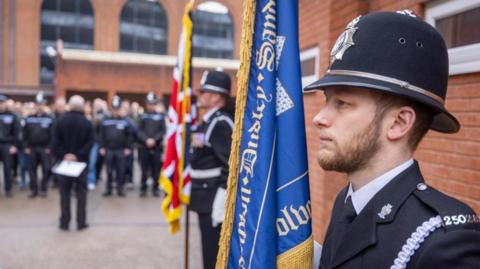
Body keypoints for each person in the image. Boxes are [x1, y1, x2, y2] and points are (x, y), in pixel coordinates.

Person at [303, 11, 480, 268]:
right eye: (327, 100)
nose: (320, 117)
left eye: (342, 103)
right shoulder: (347, 202)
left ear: (399, 123)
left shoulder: (444, 239)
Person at [188, 69, 234, 269]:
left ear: (216, 97)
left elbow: (230, 165)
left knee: (214, 257)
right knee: (208, 253)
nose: (200, 95)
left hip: (213, 198)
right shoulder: (206, 122)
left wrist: (221, 200)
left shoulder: (221, 124)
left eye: (204, 91)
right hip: (202, 196)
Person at [52, 95, 93, 231]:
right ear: (82, 107)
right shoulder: (86, 123)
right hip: (80, 163)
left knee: (64, 193)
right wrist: (77, 155)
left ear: (69, 105)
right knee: (81, 193)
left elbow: (54, 142)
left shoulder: (60, 121)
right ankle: (81, 222)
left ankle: (64, 222)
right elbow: (90, 143)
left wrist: (65, 155)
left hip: (64, 163)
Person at [99, 96, 134, 197]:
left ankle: (120, 189)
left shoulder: (125, 121)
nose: (115, 111)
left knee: (121, 170)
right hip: (109, 149)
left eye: (117, 108)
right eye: (114, 108)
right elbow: (101, 135)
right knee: (109, 170)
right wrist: (102, 147)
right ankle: (108, 189)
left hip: (121, 150)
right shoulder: (105, 120)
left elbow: (129, 135)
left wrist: (128, 147)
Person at [23, 92, 54, 198]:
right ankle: (34, 190)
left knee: (46, 169)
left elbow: (52, 134)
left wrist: (49, 147)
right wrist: (26, 146)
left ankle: (43, 188)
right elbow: (25, 134)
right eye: (38, 104)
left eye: (41, 104)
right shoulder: (29, 118)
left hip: (45, 148)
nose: (39, 106)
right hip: (32, 148)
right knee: (32, 170)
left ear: (45, 105)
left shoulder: (50, 118)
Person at [137, 92, 166, 197]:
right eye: (149, 103)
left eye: (153, 103)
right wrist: (146, 140)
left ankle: (155, 188)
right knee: (144, 169)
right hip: (144, 147)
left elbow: (162, 131)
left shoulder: (160, 116)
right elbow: (139, 131)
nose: (151, 106)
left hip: (156, 147)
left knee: (156, 169)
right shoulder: (142, 116)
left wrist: (154, 139)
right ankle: (143, 188)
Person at [0, 95, 21, 197]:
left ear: (5, 103)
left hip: (7, 145)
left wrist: (14, 145)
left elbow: (16, 132)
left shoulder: (12, 116)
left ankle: (8, 189)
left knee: (8, 168)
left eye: (2, 102)